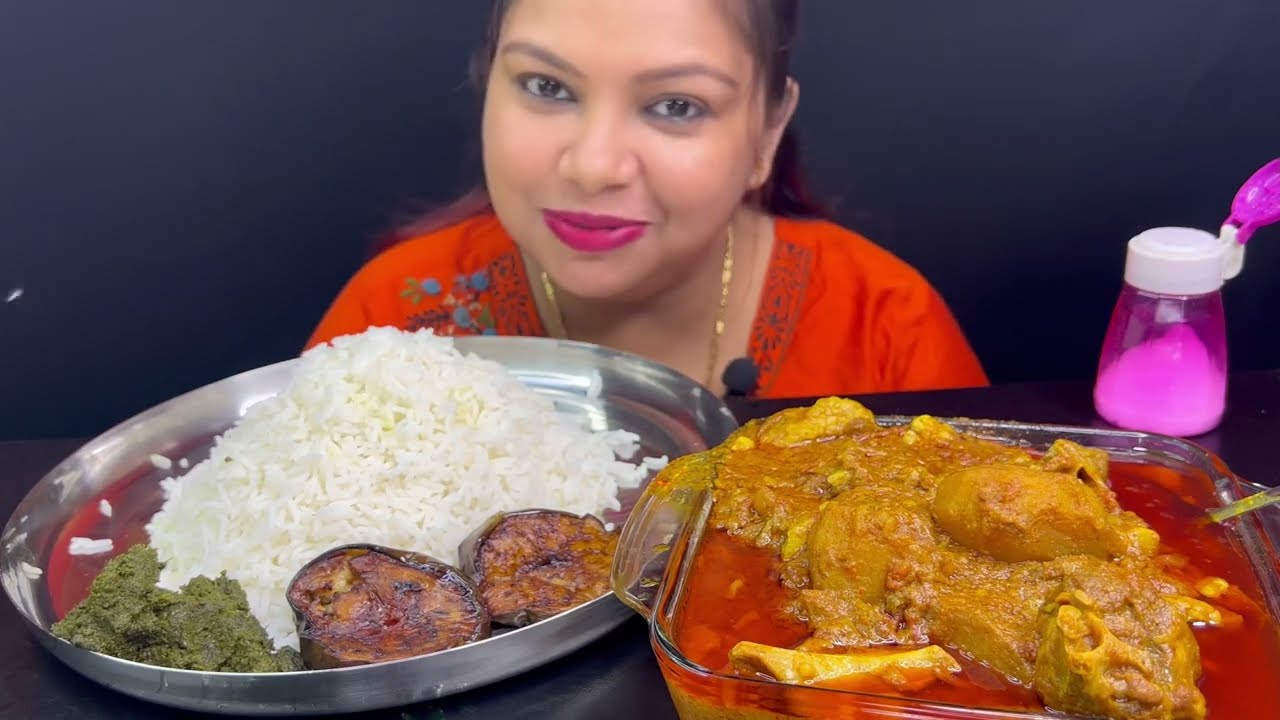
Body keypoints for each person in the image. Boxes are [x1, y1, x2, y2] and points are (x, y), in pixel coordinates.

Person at [307, 0, 988, 398]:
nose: (595, 166)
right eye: (547, 87)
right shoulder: (389, 321)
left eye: (675, 105)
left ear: (767, 130)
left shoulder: (888, 332)